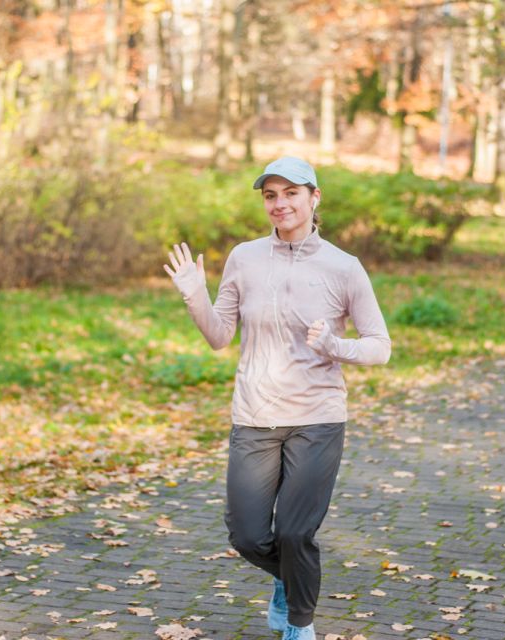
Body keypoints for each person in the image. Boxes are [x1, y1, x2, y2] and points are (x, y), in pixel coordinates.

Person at [163, 156, 391, 640]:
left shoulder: (344, 268)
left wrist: (335, 346)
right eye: (271, 195)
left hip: (318, 417)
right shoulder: (244, 258)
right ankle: (292, 580)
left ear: (315, 197)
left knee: (294, 533)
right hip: (255, 413)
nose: (280, 203)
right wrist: (193, 296)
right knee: (246, 535)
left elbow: (380, 346)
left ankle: (299, 625)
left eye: (291, 192)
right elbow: (220, 335)